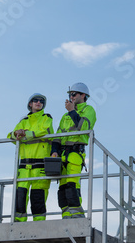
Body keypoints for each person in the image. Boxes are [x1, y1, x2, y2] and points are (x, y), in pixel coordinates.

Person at [51, 82, 96, 219]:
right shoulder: (65, 117)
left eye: (74, 94)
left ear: (83, 95)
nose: (71, 96)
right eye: (70, 94)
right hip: (63, 155)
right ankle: (66, 216)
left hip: (76, 154)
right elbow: (57, 136)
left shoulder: (89, 110)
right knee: (62, 188)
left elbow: (84, 127)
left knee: (72, 185)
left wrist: (72, 111)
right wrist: (54, 151)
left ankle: (77, 216)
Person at [7, 93, 54, 222]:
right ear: (30, 104)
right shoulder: (23, 121)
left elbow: (46, 131)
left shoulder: (47, 118)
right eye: (35, 101)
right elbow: (10, 137)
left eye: (41, 101)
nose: (38, 103)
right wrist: (16, 133)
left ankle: (38, 224)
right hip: (24, 166)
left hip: (40, 165)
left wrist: (25, 134)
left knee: (38, 196)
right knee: (20, 195)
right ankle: (18, 223)